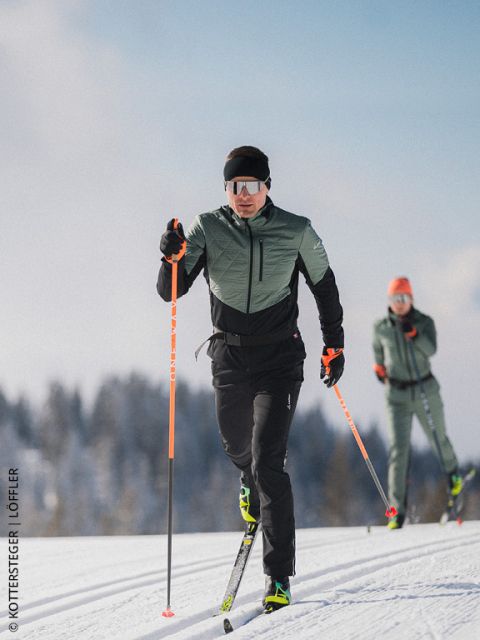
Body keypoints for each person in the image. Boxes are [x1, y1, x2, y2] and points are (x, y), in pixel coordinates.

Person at [157, 145, 344, 611]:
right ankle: (246, 478)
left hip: (280, 359)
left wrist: (334, 343)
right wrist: (170, 257)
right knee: (238, 447)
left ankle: (277, 576)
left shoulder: (295, 231)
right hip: (229, 356)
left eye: (252, 186)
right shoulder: (208, 228)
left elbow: (325, 286)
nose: (244, 195)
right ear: (226, 188)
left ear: (267, 187)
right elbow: (171, 292)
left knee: (269, 463)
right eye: (236, 186)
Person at [372, 277, 462, 530]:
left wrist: (414, 334)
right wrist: (378, 368)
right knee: (398, 451)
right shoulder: (381, 327)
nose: (399, 304)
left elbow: (431, 349)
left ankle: (454, 476)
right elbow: (378, 352)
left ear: (411, 299)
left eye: (403, 298)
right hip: (396, 395)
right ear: (389, 301)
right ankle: (396, 511)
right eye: (395, 299)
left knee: (438, 438)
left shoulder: (424, 322)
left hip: (424, 389)